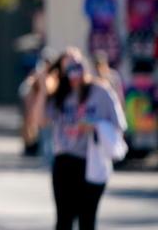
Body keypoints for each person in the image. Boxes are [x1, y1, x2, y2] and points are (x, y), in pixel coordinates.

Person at [28, 47, 127, 230]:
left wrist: (96, 125)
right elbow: (39, 121)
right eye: (69, 68)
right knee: (64, 220)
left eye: (78, 65)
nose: (75, 72)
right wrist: (42, 88)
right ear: (62, 72)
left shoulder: (101, 92)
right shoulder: (59, 95)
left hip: (92, 162)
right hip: (64, 161)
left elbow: (119, 125)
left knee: (86, 220)